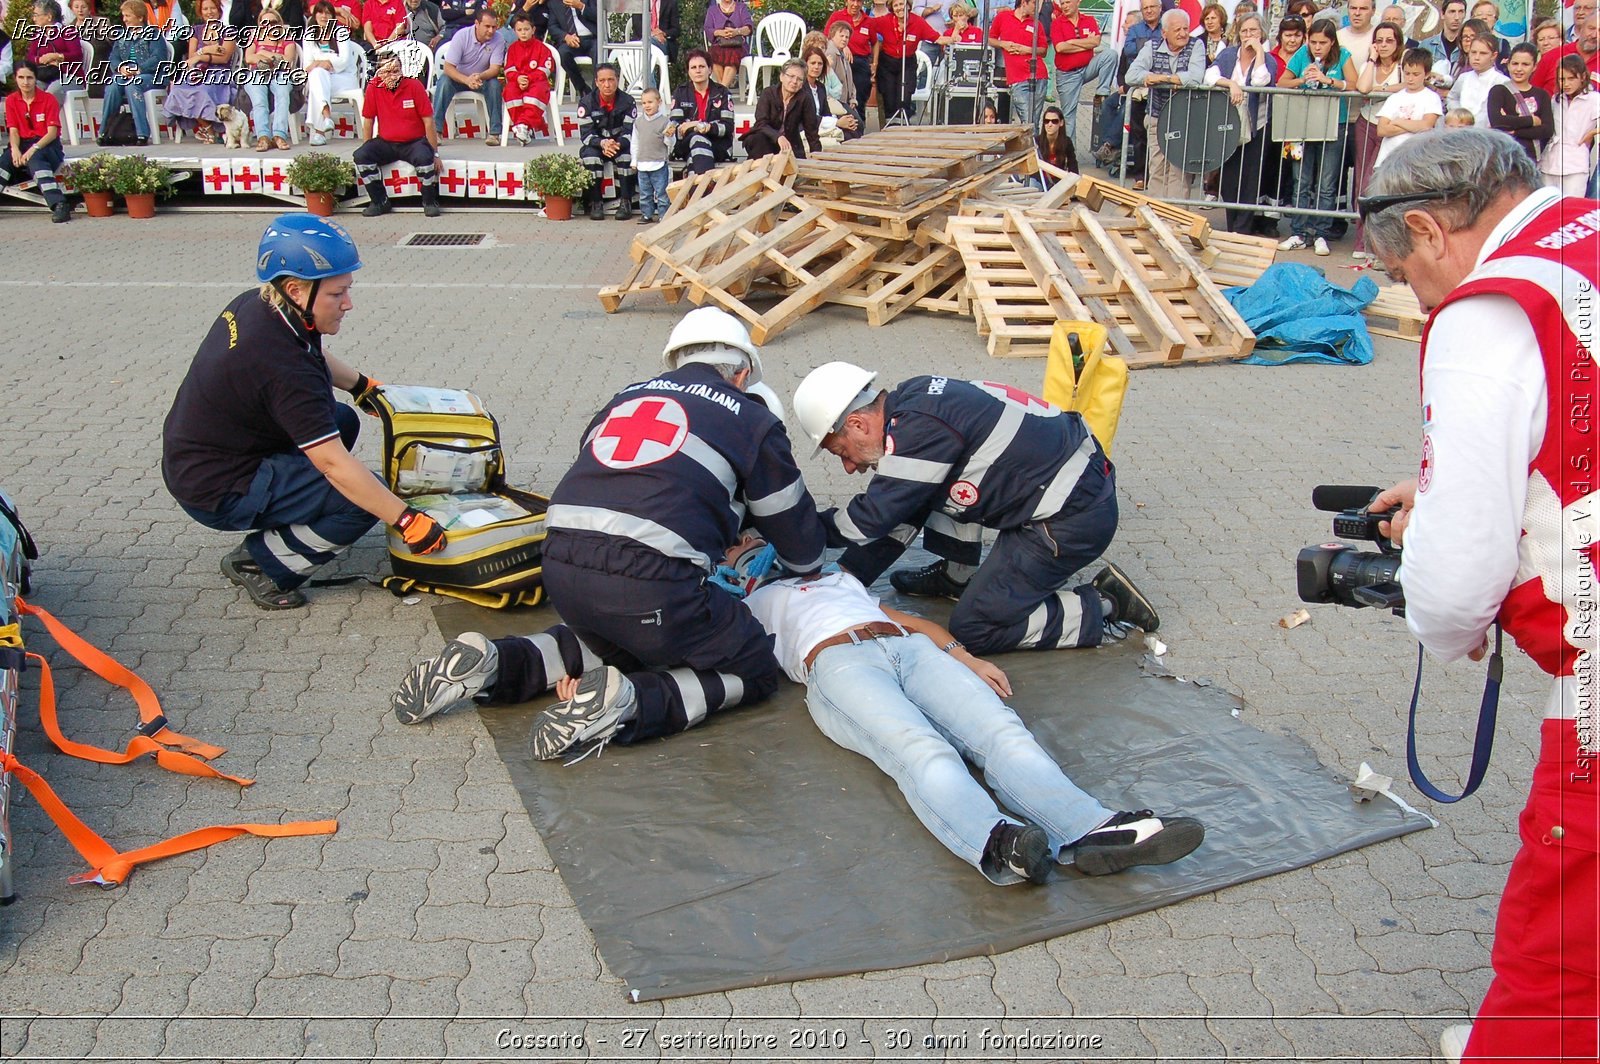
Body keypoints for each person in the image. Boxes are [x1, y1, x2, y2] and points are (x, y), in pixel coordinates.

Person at [1359, 126, 1599, 1064]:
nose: (1422, 303)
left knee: (1561, 948)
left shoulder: (1491, 311)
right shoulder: (1581, 237)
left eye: (1411, 281)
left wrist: (1443, 622)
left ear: (1427, 231)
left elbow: (1459, 580)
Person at [392, 309, 830, 763]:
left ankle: (495, 662)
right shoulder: (751, 418)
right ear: (742, 374)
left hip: (560, 565)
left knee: (608, 639)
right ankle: (631, 702)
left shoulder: (624, 398)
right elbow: (793, 530)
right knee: (752, 664)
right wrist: (805, 566)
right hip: (650, 579)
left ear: (677, 360)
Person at [709, 534, 1207, 886]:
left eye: (752, 532)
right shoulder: (742, 607)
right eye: (736, 541)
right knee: (922, 752)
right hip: (836, 664)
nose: (749, 540)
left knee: (1002, 732)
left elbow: (907, 619)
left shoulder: (836, 578)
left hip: (907, 648)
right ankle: (999, 844)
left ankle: (1093, 830)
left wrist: (965, 658)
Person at [162, 216, 448, 612]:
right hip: (216, 488)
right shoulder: (283, 368)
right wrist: (405, 520)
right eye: (337, 294)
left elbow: (313, 355)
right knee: (360, 501)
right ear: (296, 289)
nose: (348, 303)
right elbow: (333, 463)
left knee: (341, 419)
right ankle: (260, 563)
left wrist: (364, 387)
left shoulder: (262, 305)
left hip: (206, 454)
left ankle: (296, 510)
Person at [792, 363, 1159, 658]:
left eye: (842, 452)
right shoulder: (915, 398)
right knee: (926, 493)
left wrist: (797, 538)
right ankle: (957, 579)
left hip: (1071, 521)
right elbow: (901, 511)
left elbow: (869, 519)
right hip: (1065, 491)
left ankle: (1105, 603)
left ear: (857, 423)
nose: (849, 468)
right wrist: (846, 579)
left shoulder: (919, 434)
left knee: (975, 629)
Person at [1278, 18, 1358, 255]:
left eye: (1322, 42)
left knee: (1327, 183)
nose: (1317, 47)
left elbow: (1355, 84)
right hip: (1302, 125)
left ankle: (1321, 233)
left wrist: (1329, 81)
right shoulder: (1302, 54)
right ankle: (1298, 232)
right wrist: (1302, 79)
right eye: (1313, 42)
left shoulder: (1343, 55)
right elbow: (1282, 81)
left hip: (1334, 124)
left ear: (1332, 41)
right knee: (1301, 180)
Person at [1206, 11, 1281, 235]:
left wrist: (1258, 52)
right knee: (1229, 180)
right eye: (1244, 31)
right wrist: (1230, 83)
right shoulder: (1228, 55)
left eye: (1253, 31)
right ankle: (1232, 225)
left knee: (1250, 179)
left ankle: (1243, 229)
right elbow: (1209, 76)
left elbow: (1261, 80)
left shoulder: (1268, 60)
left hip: (1257, 126)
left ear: (1262, 34)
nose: (1248, 35)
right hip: (1230, 125)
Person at [1125, 9, 1204, 202]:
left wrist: (1162, 79)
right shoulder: (1151, 46)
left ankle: (1176, 219)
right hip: (1156, 115)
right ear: (1164, 33)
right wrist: (1151, 77)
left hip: (1185, 117)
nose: (1183, 34)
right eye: (1177, 29)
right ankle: (1155, 215)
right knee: (1157, 166)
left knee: (1179, 170)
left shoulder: (1196, 45)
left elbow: (1196, 77)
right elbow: (1131, 75)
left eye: (1186, 29)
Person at [355, 50, 441, 216]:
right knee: (361, 155)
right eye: (387, 72)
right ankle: (379, 201)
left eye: (395, 71)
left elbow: (428, 121)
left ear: (402, 70)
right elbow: (368, 121)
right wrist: (367, 145)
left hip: (414, 142)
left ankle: (429, 201)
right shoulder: (374, 87)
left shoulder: (414, 86)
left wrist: (435, 153)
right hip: (386, 142)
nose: (392, 76)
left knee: (425, 158)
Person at [1352, 19, 1405, 257]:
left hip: (1391, 127)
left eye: (1389, 41)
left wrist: (1382, 90)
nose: (1383, 45)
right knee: (1361, 183)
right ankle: (1361, 240)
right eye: (1379, 41)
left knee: (1379, 182)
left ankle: (1379, 240)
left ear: (1398, 43)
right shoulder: (1370, 64)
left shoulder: (1403, 65)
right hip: (1366, 123)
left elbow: (1408, 85)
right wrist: (1372, 60)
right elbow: (1364, 88)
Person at [1, 62, 70, 222]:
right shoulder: (11, 100)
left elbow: (52, 133)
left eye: (29, 78)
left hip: (46, 144)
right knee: (3, 163)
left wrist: (33, 149)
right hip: (22, 143)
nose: (25, 82)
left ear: (35, 79)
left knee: (36, 160)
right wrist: (15, 150)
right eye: (21, 77)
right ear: (15, 79)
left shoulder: (48, 100)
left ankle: (59, 204)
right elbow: (13, 130)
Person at [161, 0, 235, 143]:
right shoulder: (196, 30)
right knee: (178, 90)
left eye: (212, 8)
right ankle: (208, 128)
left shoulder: (228, 31)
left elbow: (224, 57)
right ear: (200, 12)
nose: (209, 12)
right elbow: (191, 57)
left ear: (219, 9)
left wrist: (202, 54)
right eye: (205, 9)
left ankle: (211, 130)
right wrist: (207, 51)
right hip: (198, 71)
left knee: (203, 91)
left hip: (218, 73)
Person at [434, 8, 506, 145]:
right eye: (487, 26)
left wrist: (479, 76)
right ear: (477, 24)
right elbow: (448, 68)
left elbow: (495, 69)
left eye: (494, 27)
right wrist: (466, 80)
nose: (491, 31)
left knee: (495, 85)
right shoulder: (462, 36)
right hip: (459, 78)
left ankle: (495, 133)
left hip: (481, 79)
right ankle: (436, 131)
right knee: (444, 81)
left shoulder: (499, 39)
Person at [99, 0, 164, 146]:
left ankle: (142, 133)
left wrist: (138, 69)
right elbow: (113, 57)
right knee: (112, 85)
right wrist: (120, 68)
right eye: (124, 16)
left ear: (140, 18)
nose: (124, 19)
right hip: (126, 74)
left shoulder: (154, 34)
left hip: (151, 75)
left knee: (133, 84)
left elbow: (158, 58)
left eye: (128, 16)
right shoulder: (122, 35)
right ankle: (105, 132)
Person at [577, 62, 636, 220]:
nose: (607, 84)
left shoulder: (628, 102)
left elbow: (630, 132)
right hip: (597, 145)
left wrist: (616, 144)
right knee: (590, 157)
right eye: (602, 81)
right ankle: (596, 202)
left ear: (617, 80)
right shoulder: (586, 103)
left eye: (611, 79)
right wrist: (602, 143)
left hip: (619, 145)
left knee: (627, 157)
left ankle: (626, 202)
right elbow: (586, 135)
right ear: (596, 82)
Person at [869, 0, 942, 123]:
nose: (899, 8)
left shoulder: (917, 22)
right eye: (895, 5)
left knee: (905, 97)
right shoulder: (886, 20)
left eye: (901, 4)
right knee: (889, 97)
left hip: (907, 63)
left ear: (908, 5)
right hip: (887, 64)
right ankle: (890, 127)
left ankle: (903, 124)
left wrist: (955, 35)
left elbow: (937, 38)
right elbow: (867, 24)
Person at [301, 1, 363, 145]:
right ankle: (326, 118)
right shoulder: (309, 35)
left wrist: (321, 62)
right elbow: (307, 66)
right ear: (314, 15)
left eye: (328, 13)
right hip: (322, 77)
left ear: (333, 17)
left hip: (344, 78)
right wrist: (321, 64)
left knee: (317, 80)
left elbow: (344, 61)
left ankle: (319, 131)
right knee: (317, 75)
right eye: (320, 12)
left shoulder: (341, 32)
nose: (324, 16)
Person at [1373, 47, 1443, 169]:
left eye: (1416, 74)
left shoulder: (1431, 97)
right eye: (1407, 73)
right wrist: (1413, 126)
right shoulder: (1394, 98)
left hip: (1417, 158)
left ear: (1426, 74)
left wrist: (1398, 122)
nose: (1410, 78)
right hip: (1389, 157)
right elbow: (1382, 130)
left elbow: (1426, 126)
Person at [1539, 53, 1600, 193]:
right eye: (1562, 79)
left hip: (1576, 164)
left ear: (1583, 77)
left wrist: (1593, 132)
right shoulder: (1556, 99)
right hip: (1550, 161)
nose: (1566, 84)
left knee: (1571, 207)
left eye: (1571, 78)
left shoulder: (1593, 99)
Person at [668, 48, 735, 174]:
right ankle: (707, 189)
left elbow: (728, 127)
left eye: (702, 66)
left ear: (710, 70)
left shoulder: (723, 93)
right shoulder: (680, 92)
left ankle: (698, 191)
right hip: (686, 143)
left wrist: (700, 125)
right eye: (693, 67)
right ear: (688, 71)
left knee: (693, 160)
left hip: (718, 144)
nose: (698, 70)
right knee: (697, 139)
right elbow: (677, 126)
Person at [742, 59, 822, 159]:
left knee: (795, 164)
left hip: (790, 143)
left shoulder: (805, 99)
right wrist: (778, 137)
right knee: (758, 140)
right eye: (791, 76)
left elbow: (812, 132)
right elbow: (761, 123)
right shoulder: (768, 93)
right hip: (765, 140)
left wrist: (818, 158)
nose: (794, 82)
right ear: (782, 76)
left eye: (799, 79)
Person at [243, 6, 298, 151]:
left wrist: (263, 53)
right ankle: (263, 137)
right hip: (258, 73)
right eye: (265, 23)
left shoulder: (287, 38)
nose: (269, 26)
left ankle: (279, 135)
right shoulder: (254, 37)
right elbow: (249, 58)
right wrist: (274, 57)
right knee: (259, 100)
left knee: (282, 95)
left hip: (280, 73)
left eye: (273, 23)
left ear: (279, 23)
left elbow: (287, 60)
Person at [1488, 42, 1553, 161]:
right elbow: (1497, 121)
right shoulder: (1498, 91)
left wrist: (1515, 130)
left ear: (1534, 67)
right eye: (1515, 63)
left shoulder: (1542, 95)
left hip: (1531, 158)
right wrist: (1532, 120)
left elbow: (1547, 130)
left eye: (1525, 64)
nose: (1519, 69)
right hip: (1503, 157)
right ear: (1508, 65)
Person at [992, 0, 1050, 128]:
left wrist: (1027, 49)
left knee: (1033, 120)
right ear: (1024, 2)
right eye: (1034, 3)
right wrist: (1003, 44)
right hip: (1017, 78)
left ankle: (1034, 146)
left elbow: (1044, 50)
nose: (1037, 7)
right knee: (1028, 119)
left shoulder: (1036, 24)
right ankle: (1035, 147)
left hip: (1038, 75)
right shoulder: (1003, 17)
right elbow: (990, 39)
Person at [1049, 0, 1100, 140]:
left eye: (1067, 2)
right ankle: (1070, 156)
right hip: (1067, 74)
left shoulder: (1089, 20)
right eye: (1062, 3)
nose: (1064, 6)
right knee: (1068, 116)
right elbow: (1060, 48)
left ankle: (1103, 90)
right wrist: (1086, 44)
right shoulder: (1057, 23)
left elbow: (1096, 41)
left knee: (1110, 56)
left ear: (1078, 2)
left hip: (1087, 68)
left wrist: (1071, 42)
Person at [503, 10, 554, 141]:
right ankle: (523, 128)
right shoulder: (512, 49)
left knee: (537, 92)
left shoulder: (542, 49)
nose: (523, 32)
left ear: (533, 29)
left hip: (537, 82)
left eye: (526, 29)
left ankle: (523, 125)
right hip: (518, 82)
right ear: (515, 31)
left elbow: (546, 70)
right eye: (519, 30)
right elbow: (508, 69)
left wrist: (529, 79)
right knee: (509, 90)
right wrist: (518, 78)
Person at [25, 0, 85, 104]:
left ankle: (50, 120)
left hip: (69, 75)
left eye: (36, 15)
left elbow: (77, 56)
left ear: (49, 16)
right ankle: (33, 119)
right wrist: (41, 59)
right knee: (29, 89)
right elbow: (30, 57)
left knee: (51, 94)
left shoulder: (68, 32)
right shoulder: (37, 34)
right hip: (45, 75)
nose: (33, 19)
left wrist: (57, 56)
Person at [826, 0, 876, 118]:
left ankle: (859, 123)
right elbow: (827, 36)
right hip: (839, 58)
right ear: (846, 1)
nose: (855, 4)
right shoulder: (837, 16)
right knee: (839, 93)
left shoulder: (868, 21)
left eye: (859, 1)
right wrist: (844, 47)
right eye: (852, 0)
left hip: (861, 61)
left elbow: (875, 43)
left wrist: (875, 63)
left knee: (859, 97)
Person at [1447, 32, 1508, 126]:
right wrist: (1460, 114)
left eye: (1483, 53)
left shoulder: (1502, 81)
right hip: (1459, 130)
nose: (1477, 57)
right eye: (1473, 52)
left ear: (1493, 56)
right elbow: (1452, 98)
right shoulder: (1464, 77)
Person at [803, 43, 859, 142]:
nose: (816, 67)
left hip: (824, 126)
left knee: (854, 131)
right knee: (847, 137)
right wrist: (837, 122)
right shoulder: (800, 87)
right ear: (805, 64)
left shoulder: (820, 87)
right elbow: (807, 117)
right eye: (813, 63)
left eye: (820, 64)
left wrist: (845, 120)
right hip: (807, 128)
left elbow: (826, 113)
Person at [632, 86, 670, 224]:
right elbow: (635, 142)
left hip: (659, 162)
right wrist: (634, 160)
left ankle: (664, 214)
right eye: (644, 103)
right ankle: (646, 214)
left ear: (659, 102)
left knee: (661, 192)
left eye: (650, 102)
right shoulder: (638, 122)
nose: (647, 106)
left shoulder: (665, 122)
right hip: (643, 163)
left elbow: (670, 143)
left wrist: (668, 137)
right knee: (645, 192)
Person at [1535, 13, 1598, 96]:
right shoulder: (1552, 56)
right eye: (1591, 28)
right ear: (1581, 28)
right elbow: (1533, 92)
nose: (1594, 35)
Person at [546, 0, 593, 97]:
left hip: (592, 38)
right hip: (571, 39)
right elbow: (552, 27)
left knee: (599, 51)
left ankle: (599, 92)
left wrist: (581, 6)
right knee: (563, 53)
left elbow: (599, 16)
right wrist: (566, 37)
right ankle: (583, 89)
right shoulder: (554, 3)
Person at [702, 0, 751, 90]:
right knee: (713, 54)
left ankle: (722, 91)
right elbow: (707, 29)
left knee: (732, 54)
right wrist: (720, 32)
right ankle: (724, 92)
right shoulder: (712, 10)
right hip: (719, 44)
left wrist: (736, 31)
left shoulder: (741, 7)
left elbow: (749, 28)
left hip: (738, 45)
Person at [1034, 103, 1077, 178]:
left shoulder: (1066, 142)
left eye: (1054, 121)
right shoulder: (1036, 141)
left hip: (1058, 181)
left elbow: (1073, 166)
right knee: (1032, 182)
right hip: (1039, 181)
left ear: (1061, 123)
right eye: (1046, 121)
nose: (1050, 124)